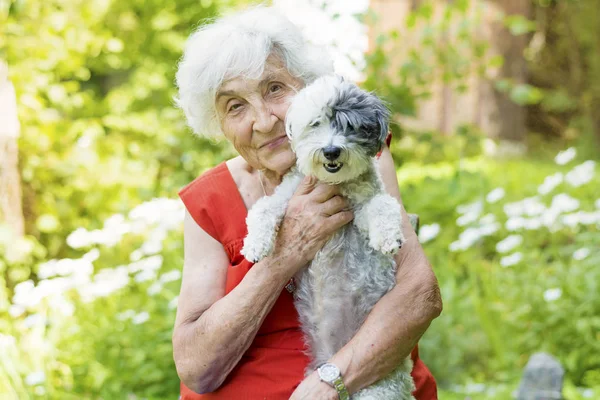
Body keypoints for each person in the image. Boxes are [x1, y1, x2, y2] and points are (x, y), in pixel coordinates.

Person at [173, 6, 442, 400]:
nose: (264, 121)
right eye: (235, 106)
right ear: (218, 124)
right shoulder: (208, 202)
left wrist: (329, 382)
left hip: (359, 385)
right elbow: (197, 368)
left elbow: (420, 296)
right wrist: (283, 256)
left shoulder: (356, 159)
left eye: (274, 89)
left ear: (306, 86)